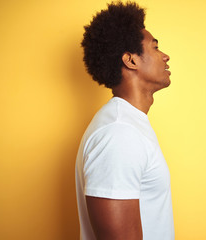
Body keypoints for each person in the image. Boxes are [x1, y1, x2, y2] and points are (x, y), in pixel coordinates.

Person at [75, 2, 174, 239]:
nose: (165, 55)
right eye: (155, 47)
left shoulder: (128, 125)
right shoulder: (119, 134)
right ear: (130, 61)